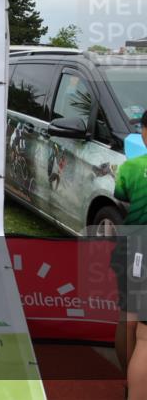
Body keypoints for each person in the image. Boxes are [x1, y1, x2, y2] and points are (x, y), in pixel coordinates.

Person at [114, 110, 147, 392]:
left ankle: (130, 382)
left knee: (129, 318)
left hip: (134, 247)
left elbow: (121, 196)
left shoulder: (131, 167)